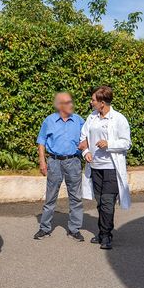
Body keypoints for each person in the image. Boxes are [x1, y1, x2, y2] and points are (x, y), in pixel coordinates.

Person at [79, 86, 132, 250]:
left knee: (108, 202)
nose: (91, 102)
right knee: (100, 202)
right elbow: (83, 138)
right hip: (95, 167)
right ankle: (103, 232)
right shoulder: (92, 118)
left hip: (111, 168)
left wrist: (109, 144)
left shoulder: (118, 119)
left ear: (102, 103)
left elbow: (126, 143)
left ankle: (106, 236)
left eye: (93, 100)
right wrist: (86, 152)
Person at [34, 92, 86, 241]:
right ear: (60, 105)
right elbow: (41, 141)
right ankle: (44, 228)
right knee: (50, 197)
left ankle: (74, 229)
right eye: (68, 102)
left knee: (76, 197)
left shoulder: (79, 121)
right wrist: (42, 161)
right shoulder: (49, 121)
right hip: (54, 162)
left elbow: (88, 135)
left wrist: (86, 144)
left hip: (73, 161)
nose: (71, 105)